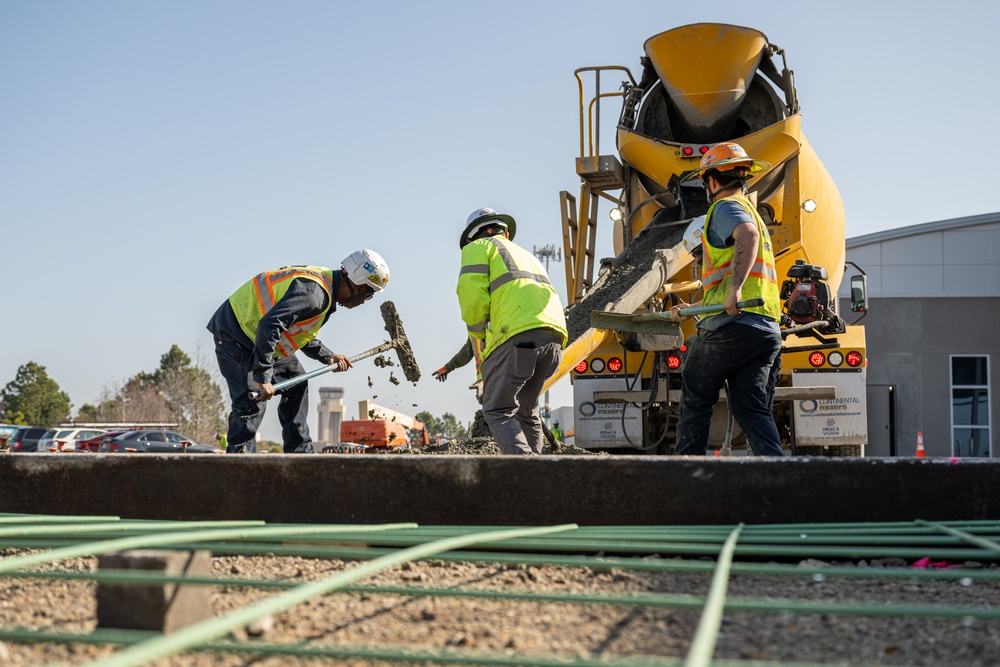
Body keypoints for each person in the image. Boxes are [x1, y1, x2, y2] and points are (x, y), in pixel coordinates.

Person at [208, 250, 390, 454]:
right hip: (237, 333)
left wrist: (327, 355)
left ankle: (300, 454)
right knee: (251, 403)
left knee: (297, 382)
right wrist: (263, 375)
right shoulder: (314, 295)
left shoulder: (325, 287)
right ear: (358, 285)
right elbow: (270, 325)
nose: (364, 301)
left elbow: (296, 331)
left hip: (261, 339)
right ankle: (241, 466)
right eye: (368, 294)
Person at [670, 143, 785, 457]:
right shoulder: (754, 212)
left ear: (712, 180)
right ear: (743, 174)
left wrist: (734, 290)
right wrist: (690, 309)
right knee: (750, 406)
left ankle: (685, 476)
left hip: (732, 327)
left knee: (696, 391)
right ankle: (778, 477)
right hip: (764, 330)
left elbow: (746, 236)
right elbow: (721, 287)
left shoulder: (723, 208)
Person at [457, 208, 568, 455]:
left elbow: (471, 297)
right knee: (526, 412)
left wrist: (479, 336)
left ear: (472, 236)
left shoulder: (479, 247)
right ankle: (536, 476)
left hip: (515, 335)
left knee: (497, 410)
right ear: (505, 232)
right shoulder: (527, 255)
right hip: (554, 337)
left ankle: (524, 472)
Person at [433, 336, 486, 400]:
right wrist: (448, 367)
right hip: (484, 381)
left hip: (495, 377)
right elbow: (466, 353)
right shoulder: (473, 330)